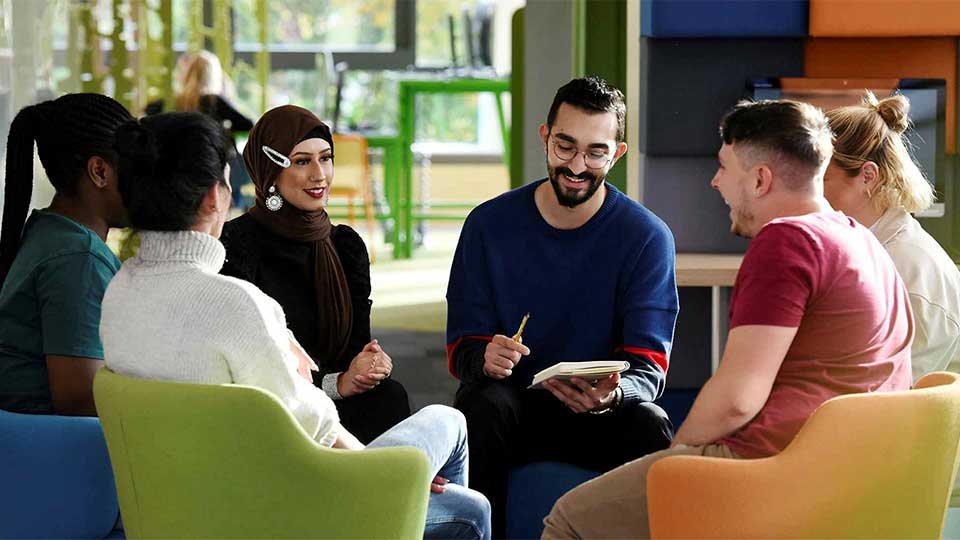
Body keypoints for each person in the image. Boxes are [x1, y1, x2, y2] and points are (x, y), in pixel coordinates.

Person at [100, 112, 491, 540]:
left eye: (325, 158)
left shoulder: (118, 291)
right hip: (278, 511)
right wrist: (392, 481)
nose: (317, 174)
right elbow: (315, 427)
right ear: (216, 195)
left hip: (175, 510)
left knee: (403, 416)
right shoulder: (238, 303)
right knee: (458, 458)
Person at [542, 99, 914, 539]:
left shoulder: (788, 243)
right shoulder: (862, 239)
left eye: (724, 166)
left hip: (775, 472)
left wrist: (677, 457)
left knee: (569, 518)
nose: (715, 181)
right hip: (856, 478)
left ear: (760, 179)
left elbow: (738, 398)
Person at [446, 76, 678, 536]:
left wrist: (614, 393)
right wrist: (485, 357)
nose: (577, 166)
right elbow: (461, 346)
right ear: (544, 137)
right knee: (479, 405)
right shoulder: (488, 224)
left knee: (650, 424)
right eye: (565, 146)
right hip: (512, 403)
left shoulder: (647, 237)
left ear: (617, 154)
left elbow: (649, 365)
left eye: (595, 152)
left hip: (601, 410)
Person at [219, 105, 411, 444]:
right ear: (269, 170)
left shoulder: (345, 246)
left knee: (390, 397)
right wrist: (334, 384)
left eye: (325, 158)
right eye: (302, 161)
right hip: (273, 411)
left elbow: (357, 347)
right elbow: (248, 369)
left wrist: (371, 363)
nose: (319, 174)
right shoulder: (235, 245)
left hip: (339, 401)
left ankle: (391, 493)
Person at [0, 93, 133, 415]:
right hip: (49, 452)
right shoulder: (79, 258)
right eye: (138, 166)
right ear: (99, 171)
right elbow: (81, 399)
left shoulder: (50, 233)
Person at [824, 91, 960, 381]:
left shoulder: (908, 268)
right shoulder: (863, 244)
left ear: (867, 176)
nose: (805, 189)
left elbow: (895, 394)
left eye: (819, 177)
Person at [145, 50, 253, 206]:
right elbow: (249, 125)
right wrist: (225, 135)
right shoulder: (214, 102)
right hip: (211, 171)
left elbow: (147, 116)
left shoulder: (170, 103)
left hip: (174, 172)